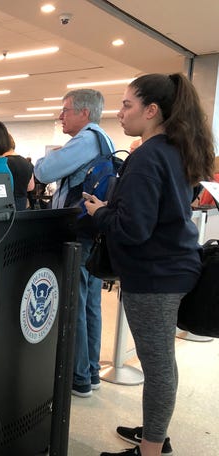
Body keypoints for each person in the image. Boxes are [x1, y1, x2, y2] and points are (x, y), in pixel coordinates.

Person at [84, 73, 215, 456]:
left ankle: (153, 448)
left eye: (127, 105)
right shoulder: (178, 151)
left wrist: (101, 212)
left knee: (157, 368)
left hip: (154, 276)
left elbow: (134, 228)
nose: (120, 113)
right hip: (176, 266)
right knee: (162, 364)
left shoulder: (146, 157)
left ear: (152, 110)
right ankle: (154, 433)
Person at [34, 89, 115, 397]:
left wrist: (48, 156)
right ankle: (90, 372)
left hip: (78, 232)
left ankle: (78, 377)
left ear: (84, 113)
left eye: (66, 110)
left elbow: (43, 170)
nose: (61, 116)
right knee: (91, 303)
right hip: (94, 231)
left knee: (75, 304)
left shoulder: (85, 140)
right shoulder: (105, 140)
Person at [3, 135, 35, 210]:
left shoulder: (1, 163)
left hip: (5, 207)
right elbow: (31, 187)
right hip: (22, 205)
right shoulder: (27, 163)